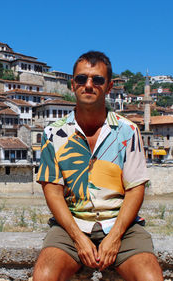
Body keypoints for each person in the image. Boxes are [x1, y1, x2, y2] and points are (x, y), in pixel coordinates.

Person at [33, 51, 163, 281]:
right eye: (82, 79)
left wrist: (114, 237)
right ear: (73, 84)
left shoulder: (128, 131)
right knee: (44, 276)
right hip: (70, 226)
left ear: (109, 86)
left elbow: (135, 189)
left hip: (122, 226)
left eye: (97, 80)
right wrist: (78, 238)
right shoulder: (53, 133)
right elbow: (52, 191)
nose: (89, 85)